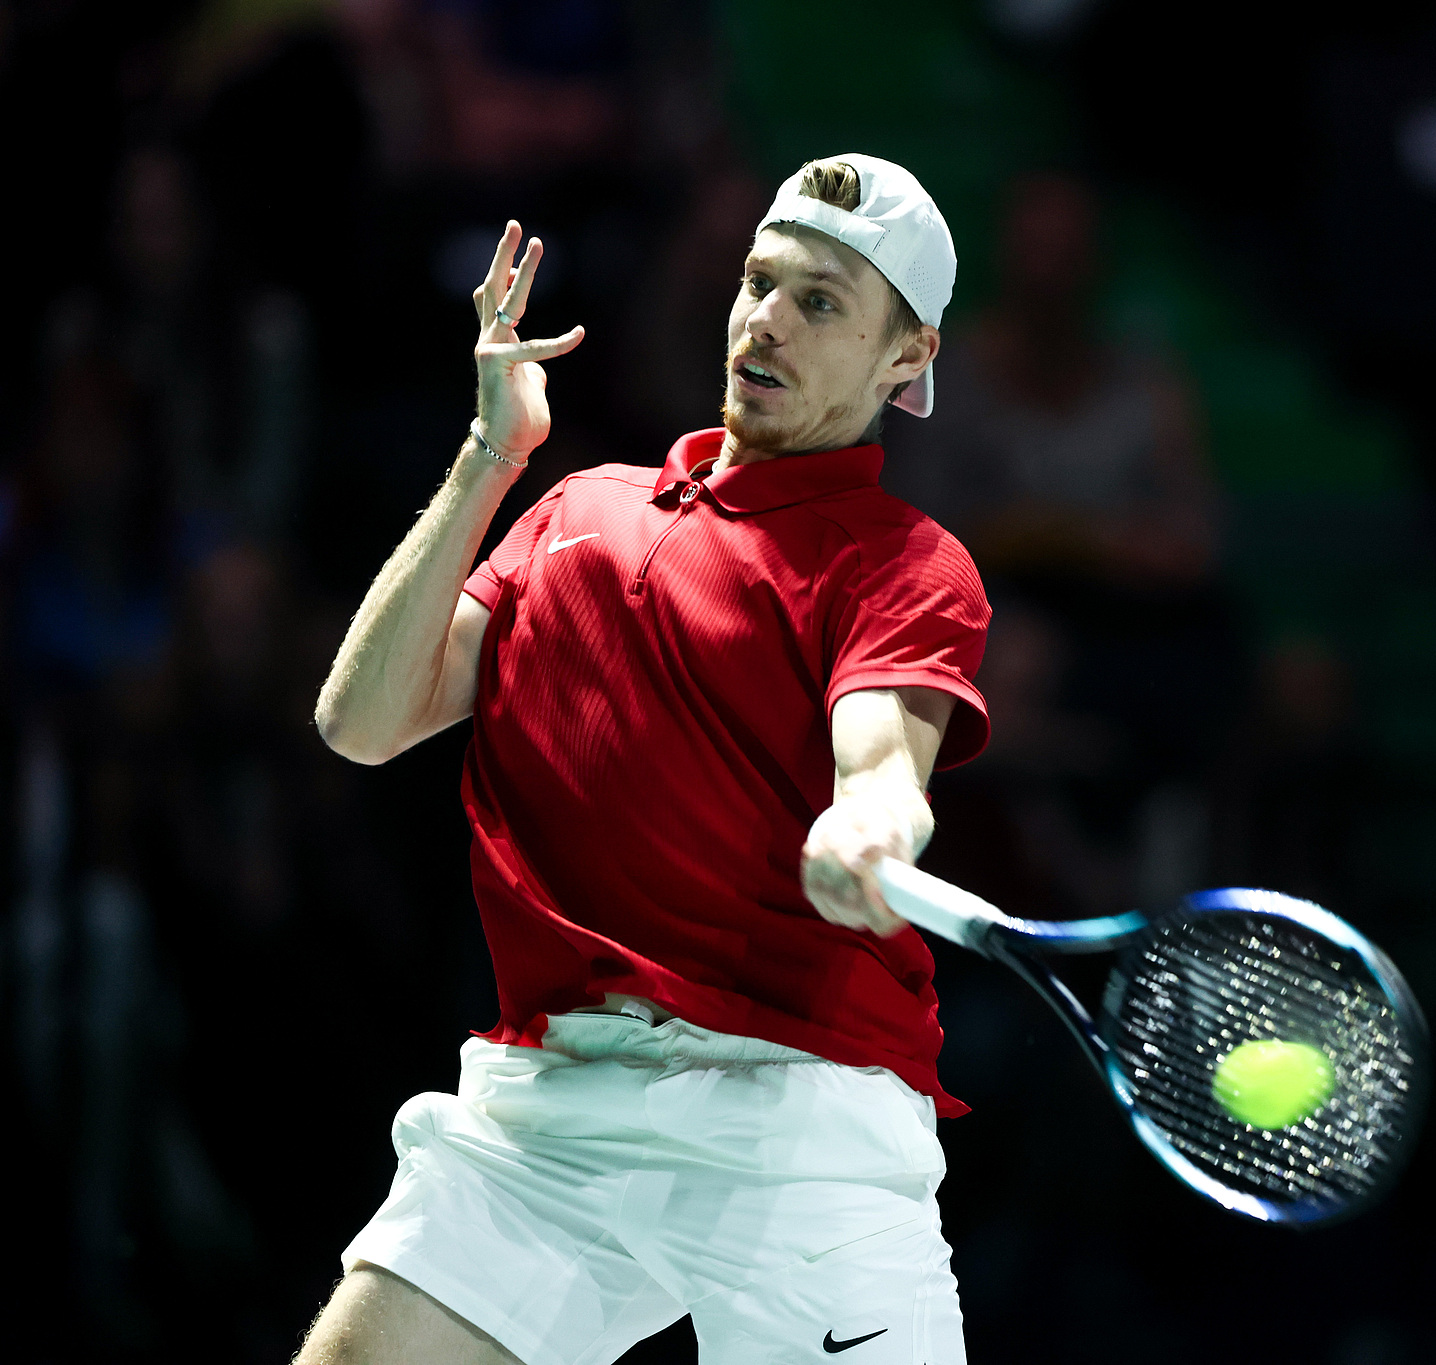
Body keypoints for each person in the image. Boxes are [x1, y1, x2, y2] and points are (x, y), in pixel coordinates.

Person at [298, 154, 987, 1365]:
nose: (767, 319)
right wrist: (486, 457)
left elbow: (880, 752)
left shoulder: (899, 560)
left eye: (821, 302)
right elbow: (361, 723)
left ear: (906, 359)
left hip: (802, 1119)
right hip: (557, 1110)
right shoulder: (572, 512)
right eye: (758, 282)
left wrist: (871, 823)